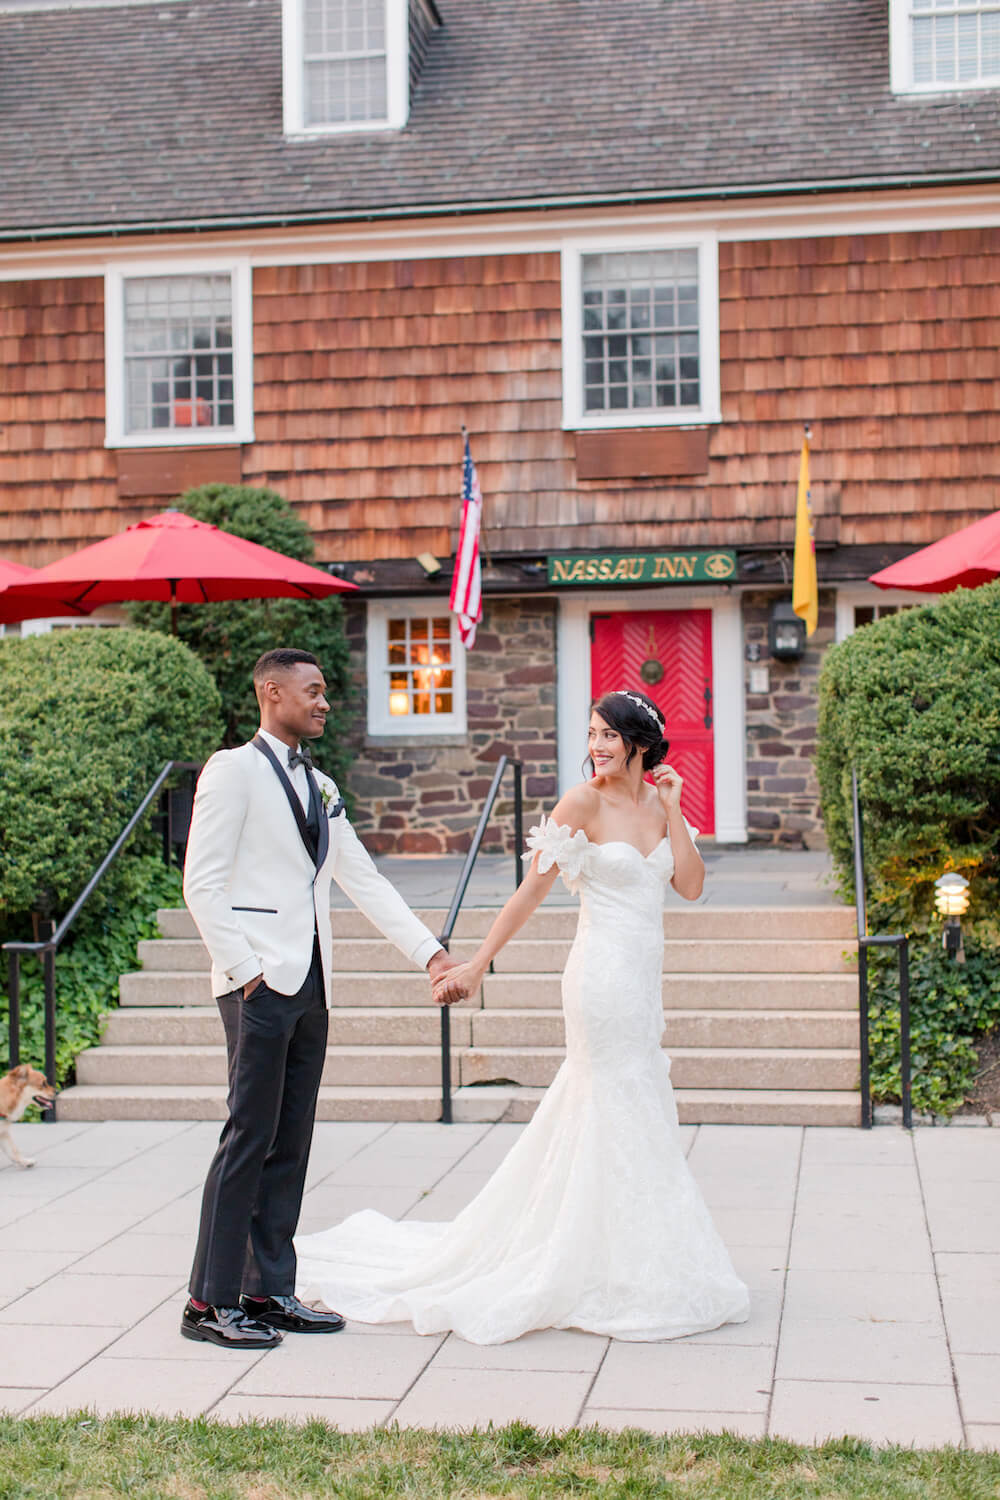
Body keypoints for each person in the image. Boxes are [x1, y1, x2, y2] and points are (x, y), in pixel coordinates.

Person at [294, 688, 750, 1344]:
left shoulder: (659, 804)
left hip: (644, 983)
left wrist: (677, 812)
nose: (594, 747)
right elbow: (531, 889)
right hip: (599, 981)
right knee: (612, 1098)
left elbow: (690, 885)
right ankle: (597, 1258)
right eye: (591, 734)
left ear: (639, 744)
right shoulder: (580, 804)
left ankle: (627, 1252)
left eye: (607, 737)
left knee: (638, 1100)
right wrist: (476, 964)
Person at [180, 648, 465, 1350]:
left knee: (291, 1142)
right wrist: (246, 970)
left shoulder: (322, 784)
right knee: (248, 1137)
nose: (324, 701)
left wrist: (429, 952)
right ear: (270, 691)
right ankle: (207, 1302)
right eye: (312, 691)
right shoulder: (232, 771)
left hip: (311, 984)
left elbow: (363, 880)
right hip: (258, 983)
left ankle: (267, 1290)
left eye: (326, 691)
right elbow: (201, 883)